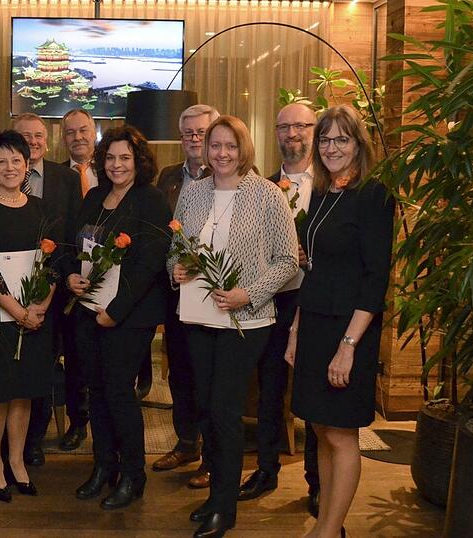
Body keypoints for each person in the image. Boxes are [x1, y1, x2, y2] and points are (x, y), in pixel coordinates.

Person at [168, 115, 297, 537]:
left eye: (230, 146)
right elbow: (175, 249)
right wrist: (177, 269)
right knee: (205, 405)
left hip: (246, 320)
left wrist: (250, 294)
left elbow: (287, 261)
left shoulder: (266, 195)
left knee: (225, 410)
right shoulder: (193, 192)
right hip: (198, 317)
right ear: (205, 150)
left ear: (244, 150)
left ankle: (225, 507)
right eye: (215, 145)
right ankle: (214, 497)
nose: (222, 154)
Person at [287, 105, 395, 538]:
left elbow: (375, 279)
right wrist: (296, 331)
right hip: (314, 323)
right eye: (325, 140)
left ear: (358, 144)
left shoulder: (374, 194)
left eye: (341, 140)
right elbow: (314, 267)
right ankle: (326, 525)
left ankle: (329, 530)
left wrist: (348, 347)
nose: (331, 148)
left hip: (349, 330)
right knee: (319, 427)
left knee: (341, 434)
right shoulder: (324, 191)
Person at [68, 126, 172, 510]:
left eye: (124, 157)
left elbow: (149, 265)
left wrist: (115, 312)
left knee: (119, 393)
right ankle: (102, 467)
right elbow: (73, 244)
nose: (116, 164)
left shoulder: (152, 200)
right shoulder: (95, 196)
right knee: (96, 391)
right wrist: (70, 277)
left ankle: (133, 475)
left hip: (129, 316)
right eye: (110, 157)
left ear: (138, 160)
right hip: (88, 311)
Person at [0, 130, 64, 503]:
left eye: (17, 160)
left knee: (23, 393)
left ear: (27, 165)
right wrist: (19, 311)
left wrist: (41, 306)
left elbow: (53, 263)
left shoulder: (41, 210)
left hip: (36, 317)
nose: (10, 167)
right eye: (2, 161)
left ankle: (17, 460)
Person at [238, 103, 322, 514]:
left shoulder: (331, 187)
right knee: (269, 389)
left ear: (315, 130)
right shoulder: (262, 188)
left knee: (312, 393)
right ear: (274, 133)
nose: (292, 133)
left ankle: (317, 483)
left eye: (301, 125)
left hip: (318, 305)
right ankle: (265, 470)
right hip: (273, 300)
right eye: (284, 126)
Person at [152, 104, 219, 485]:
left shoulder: (235, 175)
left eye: (201, 132)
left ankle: (212, 456)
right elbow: (164, 234)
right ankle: (186, 442)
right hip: (176, 291)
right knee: (179, 371)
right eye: (188, 133)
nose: (194, 139)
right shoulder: (168, 177)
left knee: (209, 376)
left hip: (215, 295)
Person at [13, 112, 82, 466]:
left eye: (39, 136)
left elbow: (71, 236)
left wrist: (56, 283)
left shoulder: (65, 178)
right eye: (25, 136)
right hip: (8, 291)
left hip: (54, 290)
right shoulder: (0, 172)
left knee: (43, 365)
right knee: (12, 365)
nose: (34, 142)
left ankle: (34, 440)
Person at [54, 108, 99, 452]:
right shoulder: (60, 178)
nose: (78, 137)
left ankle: (106, 421)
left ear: (94, 131)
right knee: (75, 356)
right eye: (71, 133)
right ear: (63, 138)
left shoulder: (114, 169)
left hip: (110, 275)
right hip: (71, 277)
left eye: (84, 130)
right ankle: (78, 422)